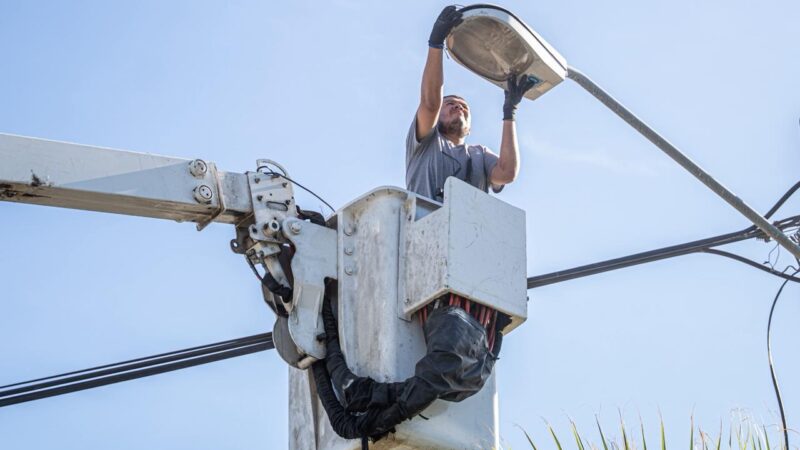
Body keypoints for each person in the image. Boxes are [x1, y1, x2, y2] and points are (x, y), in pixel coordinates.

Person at [406, 5, 537, 202]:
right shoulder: (426, 142)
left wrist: (510, 113)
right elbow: (430, 103)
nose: (459, 107)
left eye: (464, 107)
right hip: (424, 228)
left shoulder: (479, 155)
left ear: (469, 129)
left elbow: (507, 172)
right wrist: (435, 44)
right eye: (450, 104)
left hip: (466, 231)